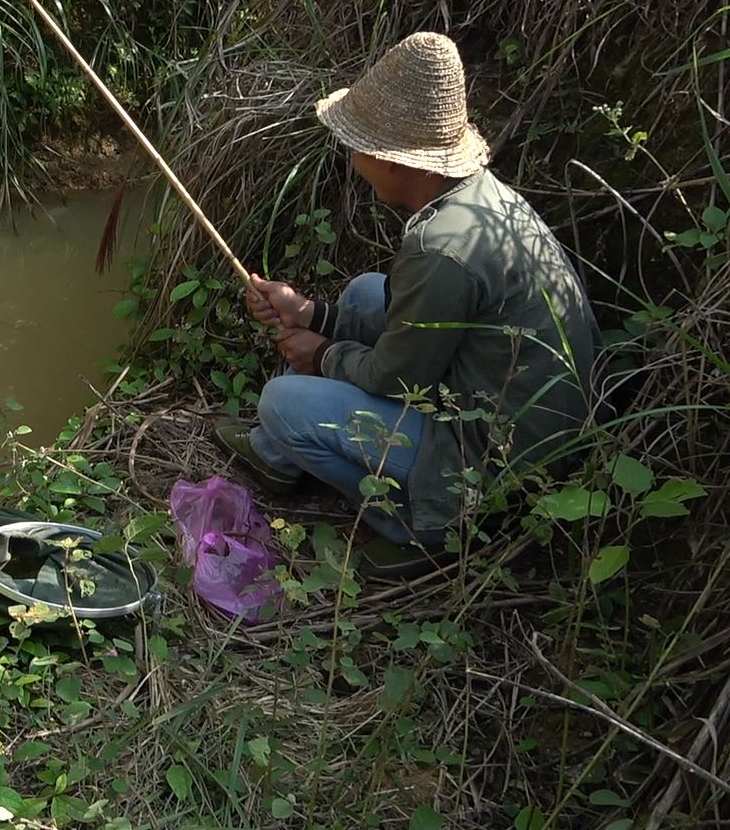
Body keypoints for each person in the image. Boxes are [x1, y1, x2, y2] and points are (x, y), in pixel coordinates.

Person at [213, 31, 601, 562]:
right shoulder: (480, 195)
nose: (352, 160)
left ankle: (423, 527)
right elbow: (422, 329)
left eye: (359, 148)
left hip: (494, 458)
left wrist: (321, 352)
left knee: (282, 402)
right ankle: (275, 456)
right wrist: (310, 312)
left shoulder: (438, 248)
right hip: (520, 407)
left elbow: (395, 379)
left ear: (396, 161)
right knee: (364, 294)